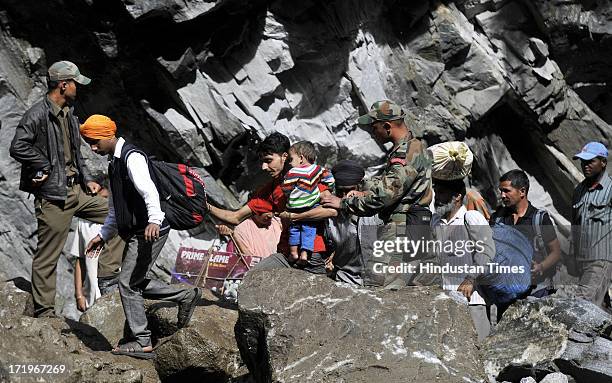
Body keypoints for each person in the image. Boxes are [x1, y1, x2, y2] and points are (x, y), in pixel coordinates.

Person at [80, 114, 201, 359]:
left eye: (94, 141)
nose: (93, 148)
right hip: (137, 230)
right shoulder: (114, 163)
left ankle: (142, 340)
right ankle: (185, 294)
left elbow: (149, 191)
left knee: (126, 283)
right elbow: (116, 207)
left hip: (150, 229)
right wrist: (103, 235)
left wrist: (155, 220)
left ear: (107, 135)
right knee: (133, 281)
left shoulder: (132, 157)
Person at [9, 60, 123, 318]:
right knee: (47, 255)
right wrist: (44, 164)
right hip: (52, 196)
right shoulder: (37, 114)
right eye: (74, 83)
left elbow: (76, 154)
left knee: (118, 215)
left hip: (77, 191)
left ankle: (106, 277)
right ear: (63, 85)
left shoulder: (70, 113)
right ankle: (45, 312)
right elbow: (17, 147)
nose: (77, 88)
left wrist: (87, 179)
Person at [321, 100, 437, 288]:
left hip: (401, 228)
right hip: (415, 224)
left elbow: (384, 196)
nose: (373, 133)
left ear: (387, 126)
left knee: (378, 285)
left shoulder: (405, 154)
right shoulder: (414, 147)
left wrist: (342, 203)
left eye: (374, 128)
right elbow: (391, 186)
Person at [207, 133, 328, 274]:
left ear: (284, 156)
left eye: (268, 160)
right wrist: (205, 206)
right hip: (285, 254)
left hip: (310, 252)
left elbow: (329, 211)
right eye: (262, 162)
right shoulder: (271, 189)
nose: (264, 167)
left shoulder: (309, 177)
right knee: (254, 276)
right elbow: (235, 217)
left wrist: (293, 217)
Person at [432, 179, 495, 340]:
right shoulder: (435, 222)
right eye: (436, 192)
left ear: (457, 196)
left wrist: (470, 279)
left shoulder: (471, 217)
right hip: (445, 302)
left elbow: (487, 251)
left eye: (442, 192)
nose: (436, 197)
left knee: (479, 350)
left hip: (472, 302)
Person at [489, 170, 560, 299]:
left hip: (537, 291)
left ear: (522, 191)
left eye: (507, 191)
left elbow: (555, 252)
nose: (502, 195)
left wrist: (540, 267)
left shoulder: (539, 219)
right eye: (501, 191)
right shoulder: (497, 218)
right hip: (506, 292)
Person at [570, 142, 612, 308]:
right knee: (600, 309)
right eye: (583, 161)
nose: (585, 165)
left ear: (603, 162)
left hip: (602, 259)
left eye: (590, 161)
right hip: (583, 261)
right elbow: (575, 226)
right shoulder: (579, 190)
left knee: (581, 305)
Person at [71, 185, 123, 312]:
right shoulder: (84, 224)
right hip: (91, 298)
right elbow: (80, 260)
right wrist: (79, 295)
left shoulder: (119, 225)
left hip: (114, 292)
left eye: (107, 199)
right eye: (102, 199)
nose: (104, 203)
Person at [281, 141, 335, 263]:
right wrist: (329, 187)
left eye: (291, 159)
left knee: (294, 229)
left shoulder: (292, 172)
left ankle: (294, 253)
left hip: (295, 207)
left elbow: (286, 188)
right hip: (311, 205)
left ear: (301, 158)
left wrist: (289, 194)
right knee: (309, 228)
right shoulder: (318, 169)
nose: (289, 163)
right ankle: (305, 254)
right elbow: (330, 179)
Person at [216, 209, 283, 258]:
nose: (270, 215)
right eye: (266, 210)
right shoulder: (242, 228)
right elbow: (248, 258)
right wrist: (234, 236)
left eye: (272, 210)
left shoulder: (277, 223)